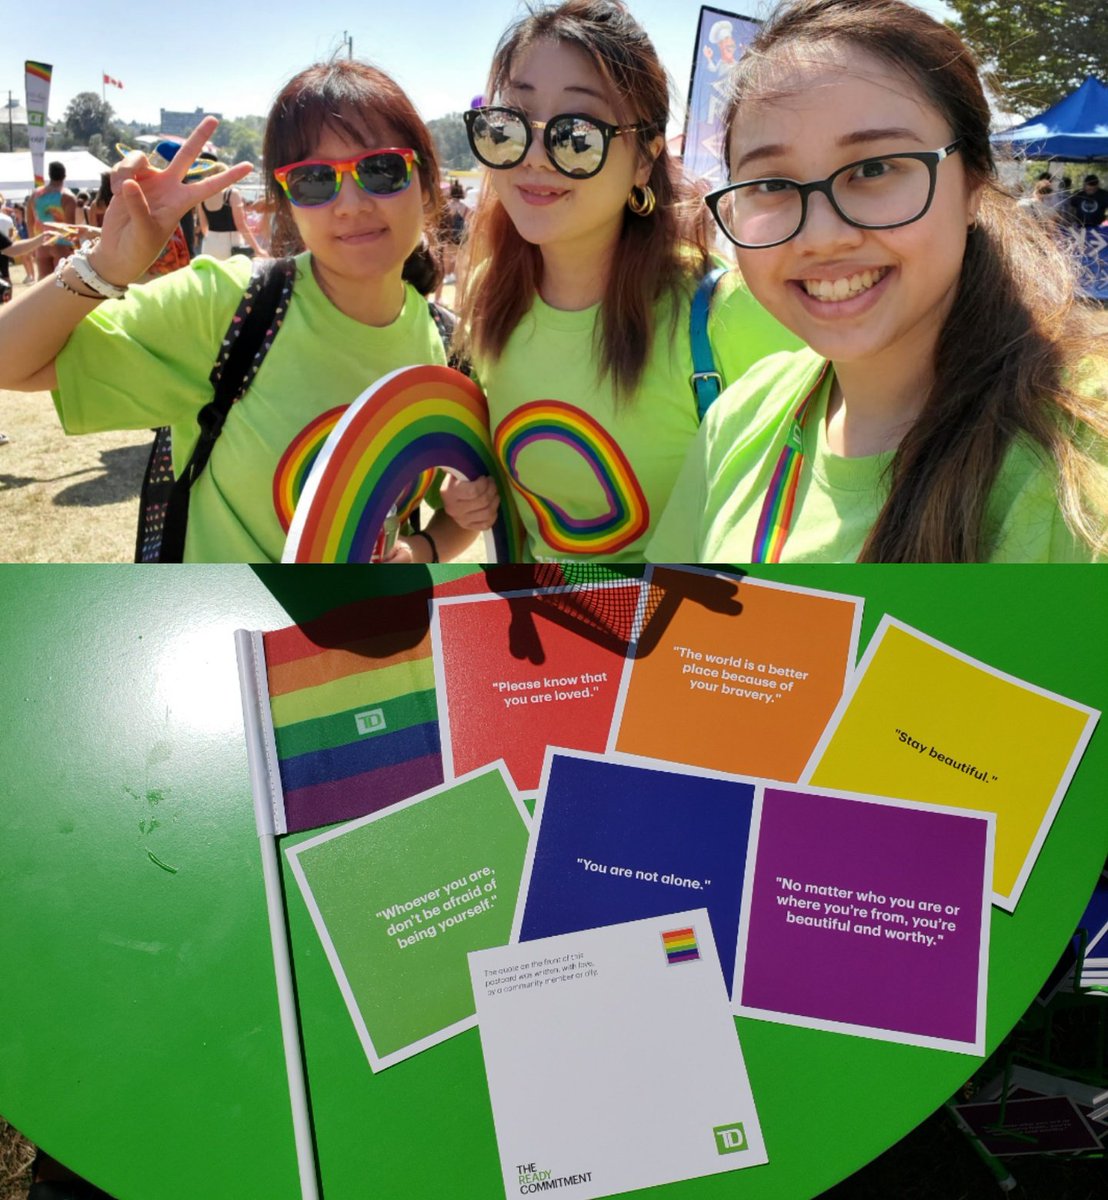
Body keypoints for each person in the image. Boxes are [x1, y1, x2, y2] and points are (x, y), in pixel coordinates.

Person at [650, 0, 1108, 564]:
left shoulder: (1082, 457)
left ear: (972, 183)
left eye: (874, 169)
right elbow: (661, 633)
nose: (821, 236)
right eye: (770, 183)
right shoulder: (740, 415)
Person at [0, 60, 480, 563]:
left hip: (354, 635)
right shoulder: (229, 305)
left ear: (427, 184)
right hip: (227, 633)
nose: (351, 203)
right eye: (315, 180)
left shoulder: (445, 344)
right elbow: (12, 363)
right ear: (287, 203)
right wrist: (104, 266)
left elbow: (464, 505)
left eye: (381, 169)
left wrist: (422, 548)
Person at [447, 0, 800, 562]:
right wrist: (469, 494)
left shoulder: (729, 314)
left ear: (644, 158)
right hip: (545, 634)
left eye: (576, 135)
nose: (534, 158)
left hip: (690, 639)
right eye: (509, 125)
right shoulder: (490, 297)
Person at [199, 163, 264, 259]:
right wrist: (258, 249)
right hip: (230, 246)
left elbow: (204, 227)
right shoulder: (231, 194)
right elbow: (241, 225)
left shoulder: (202, 196)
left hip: (209, 245)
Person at [25, 161, 77, 280]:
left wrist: (32, 244)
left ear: (50, 175)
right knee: (64, 282)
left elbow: (30, 221)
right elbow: (70, 226)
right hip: (62, 243)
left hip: (41, 242)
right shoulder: (68, 196)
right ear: (64, 175)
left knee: (43, 283)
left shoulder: (35, 194)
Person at [434, 178, 468, 304]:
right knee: (459, 274)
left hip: (447, 241)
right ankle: (459, 301)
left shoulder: (446, 207)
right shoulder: (464, 207)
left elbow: (440, 222)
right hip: (459, 243)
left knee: (442, 271)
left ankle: (438, 298)